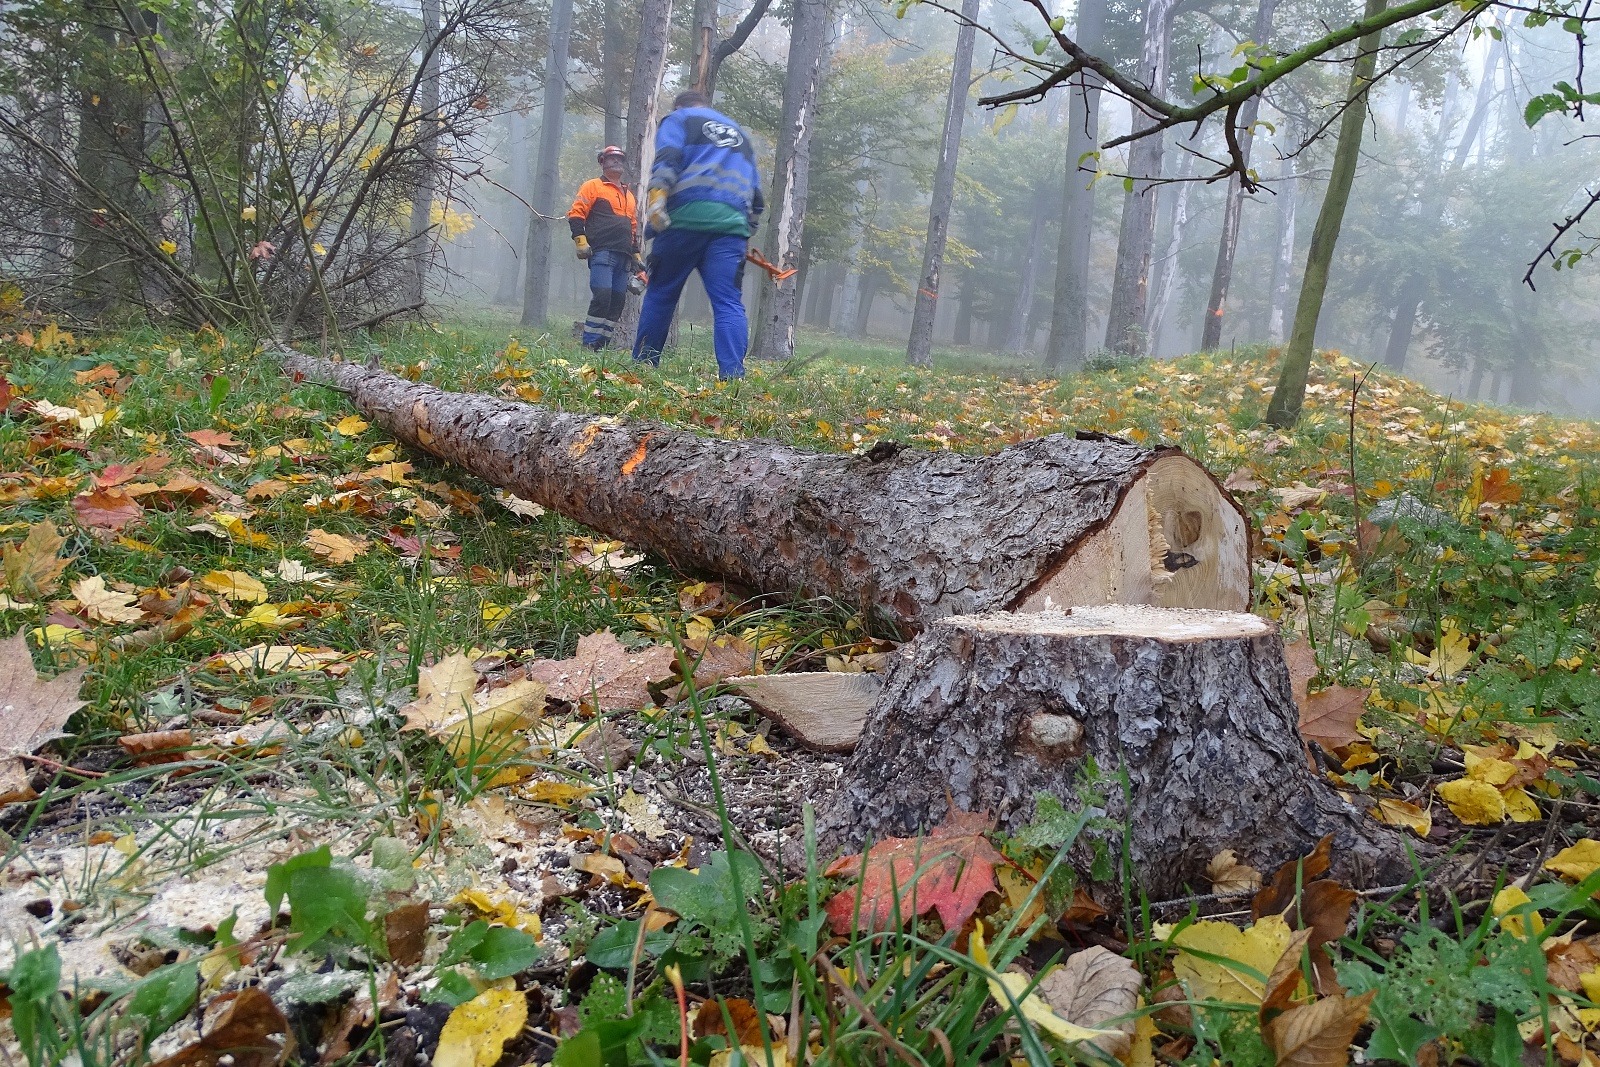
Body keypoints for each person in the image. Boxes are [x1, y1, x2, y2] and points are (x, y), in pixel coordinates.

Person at [633, 91, 763, 380]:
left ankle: (643, 369)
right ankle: (732, 376)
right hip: (730, 227)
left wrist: (657, 197)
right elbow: (757, 193)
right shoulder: (740, 134)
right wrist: (746, 229)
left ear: (680, 105)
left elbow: (668, 157)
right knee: (728, 301)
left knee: (661, 294)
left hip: (683, 220)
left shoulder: (679, 119)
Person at [567, 145, 640, 350]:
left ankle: (602, 346)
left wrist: (636, 256)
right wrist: (580, 240)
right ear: (602, 162)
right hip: (602, 252)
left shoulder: (629, 195)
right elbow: (576, 213)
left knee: (617, 301)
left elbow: (632, 228)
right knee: (602, 296)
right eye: (611, 158)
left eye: (619, 158)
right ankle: (589, 345)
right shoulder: (592, 186)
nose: (616, 161)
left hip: (623, 257)